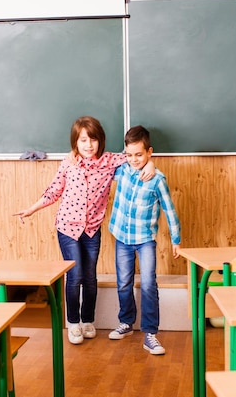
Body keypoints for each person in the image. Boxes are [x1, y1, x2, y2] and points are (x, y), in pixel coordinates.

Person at [14, 116, 155, 345]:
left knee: (90, 278)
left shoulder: (110, 161)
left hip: (91, 230)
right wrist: (32, 209)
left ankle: (88, 321)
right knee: (75, 276)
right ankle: (73, 323)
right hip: (68, 228)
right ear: (75, 142)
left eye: (93, 140)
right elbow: (53, 191)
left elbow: (135, 158)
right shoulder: (69, 163)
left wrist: (151, 164)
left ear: (101, 141)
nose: (88, 145)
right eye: (83, 140)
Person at [107, 125, 181, 355]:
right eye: (129, 155)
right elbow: (101, 160)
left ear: (150, 152)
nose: (134, 159)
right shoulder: (121, 170)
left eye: (139, 155)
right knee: (123, 283)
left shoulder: (157, 179)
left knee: (149, 284)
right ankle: (126, 322)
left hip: (145, 238)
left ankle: (150, 333)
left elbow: (169, 211)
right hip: (122, 237)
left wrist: (176, 240)